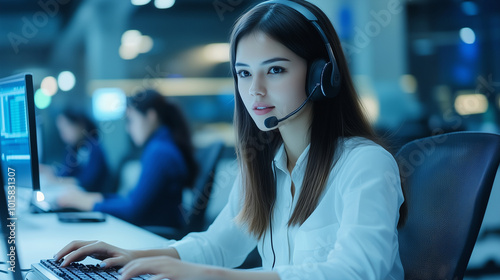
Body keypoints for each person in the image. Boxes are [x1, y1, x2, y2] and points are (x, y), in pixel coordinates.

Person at [54, 1, 406, 279]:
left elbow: (355, 273)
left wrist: (205, 276)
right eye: (243, 73)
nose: (255, 90)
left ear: (321, 75)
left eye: (276, 69)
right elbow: (217, 245)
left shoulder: (364, 164)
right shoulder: (263, 168)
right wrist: (132, 257)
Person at [56, 89, 198, 228]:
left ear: (151, 116)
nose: (128, 129)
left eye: (131, 120)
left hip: (154, 235)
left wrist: (86, 203)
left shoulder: (159, 151)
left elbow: (132, 210)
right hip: (151, 230)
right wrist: (94, 198)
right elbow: (132, 199)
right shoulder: (163, 145)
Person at [40, 108, 110, 193]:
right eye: (60, 130)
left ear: (79, 125)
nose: (63, 134)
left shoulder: (92, 147)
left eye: (66, 128)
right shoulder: (72, 148)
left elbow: (86, 181)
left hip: (93, 196)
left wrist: (56, 181)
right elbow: (66, 172)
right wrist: (51, 170)